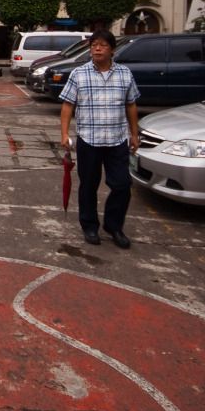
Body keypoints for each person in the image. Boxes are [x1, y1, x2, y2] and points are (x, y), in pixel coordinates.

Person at [59, 30, 140, 249]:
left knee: (122, 185)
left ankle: (114, 226)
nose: (97, 49)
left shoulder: (125, 74)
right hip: (89, 140)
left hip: (116, 140)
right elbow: (68, 105)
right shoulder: (79, 74)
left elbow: (131, 104)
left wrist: (134, 133)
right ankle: (89, 225)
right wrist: (64, 134)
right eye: (94, 45)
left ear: (112, 49)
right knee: (88, 185)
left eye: (102, 45)